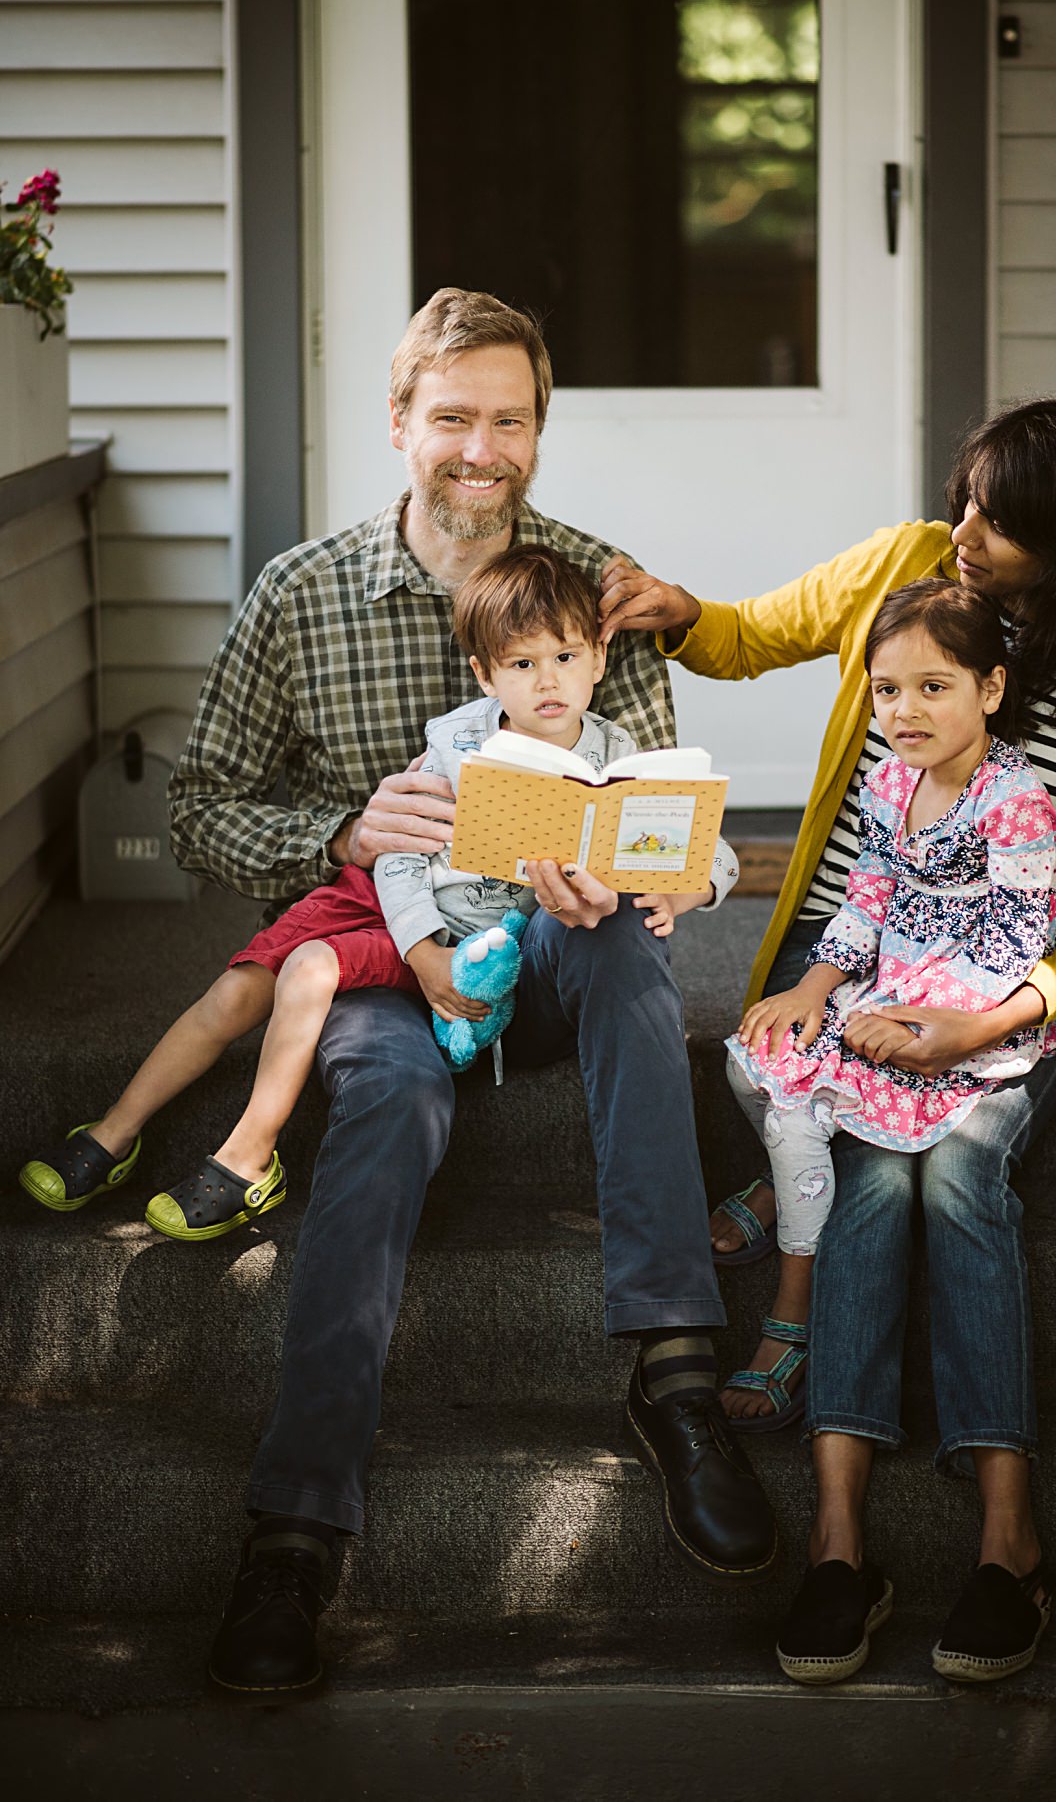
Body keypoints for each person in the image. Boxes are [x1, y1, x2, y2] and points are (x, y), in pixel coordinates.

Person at [56, 288, 777, 1693]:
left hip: (564, 942)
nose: (483, 448)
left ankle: (678, 1372)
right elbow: (199, 806)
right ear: (400, 424)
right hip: (385, 961)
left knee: (633, 957)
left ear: (538, 433)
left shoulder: (597, 585)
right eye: (454, 418)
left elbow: (662, 812)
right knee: (382, 1092)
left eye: (511, 421)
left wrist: (656, 878)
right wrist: (336, 835)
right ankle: (297, 1522)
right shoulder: (301, 590)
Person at [599, 394, 1056, 1685]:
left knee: (963, 1173)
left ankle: (1004, 1539)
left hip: (1014, 995)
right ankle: (841, 1536)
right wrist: (672, 607)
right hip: (851, 973)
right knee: (876, 1175)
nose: (967, 532)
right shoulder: (901, 566)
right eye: (967, 498)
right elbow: (749, 635)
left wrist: (995, 1014)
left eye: (1004, 520)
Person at [18, 546, 733, 1242]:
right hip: (386, 905)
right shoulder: (456, 745)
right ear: (487, 675)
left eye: (566, 657)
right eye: (523, 663)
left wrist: (688, 891)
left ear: (599, 659)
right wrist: (425, 957)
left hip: (477, 943)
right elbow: (395, 855)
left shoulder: (619, 756)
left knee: (314, 969)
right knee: (241, 991)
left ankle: (242, 1154)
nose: (548, 679)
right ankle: (123, 1131)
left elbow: (711, 852)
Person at [720, 581, 1056, 1445]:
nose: (904, 710)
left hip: (960, 1002)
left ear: (990, 688)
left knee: (840, 1103)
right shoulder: (888, 780)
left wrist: (930, 1020)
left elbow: (1020, 933)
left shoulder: (1012, 797)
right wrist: (817, 982)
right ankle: (791, 1182)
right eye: (886, 690)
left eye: (933, 687)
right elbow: (868, 894)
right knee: (758, 1054)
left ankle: (794, 1289)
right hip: (885, 977)